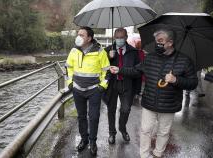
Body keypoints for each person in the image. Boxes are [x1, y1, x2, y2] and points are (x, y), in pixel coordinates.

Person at [110, 28, 198, 158]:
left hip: (169, 105)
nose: (158, 43)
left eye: (161, 41)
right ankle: (144, 155)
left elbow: (193, 83)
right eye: (156, 41)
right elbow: (136, 71)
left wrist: (176, 80)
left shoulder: (184, 61)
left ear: (170, 43)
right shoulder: (150, 57)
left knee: (163, 132)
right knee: (145, 131)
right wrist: (119, 70)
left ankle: (158, 154)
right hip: (149, 102)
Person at [65, 26, 110, 156]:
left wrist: (102, 87)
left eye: (82, 35)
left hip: (94, 90)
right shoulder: (74, 50)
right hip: (77, 89)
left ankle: (92, 142)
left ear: (89, 38)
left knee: (94, 117)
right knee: (81, 116)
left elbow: (106, 71)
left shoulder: (100, 51)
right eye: (78, 34)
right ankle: (84, 140)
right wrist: (70, 83)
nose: (78, 37)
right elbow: (68, 68)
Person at [103, 28, 141, 144]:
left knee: (125, 109)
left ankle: (122, 128)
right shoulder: (107, 50)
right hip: (112, 85)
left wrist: (137, 90)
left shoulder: (133, 52)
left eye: (122, 37)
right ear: (114, 38)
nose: (119, 40)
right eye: (117, 37)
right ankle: (111, 132)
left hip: (127, 85)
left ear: (126, 38)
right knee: (111, 110)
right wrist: (109, 58)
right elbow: (101, 70)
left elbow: (138, 71)